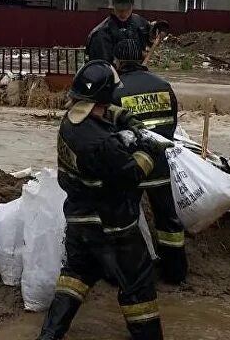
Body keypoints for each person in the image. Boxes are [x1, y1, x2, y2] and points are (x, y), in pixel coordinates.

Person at [38, 60, 170, 340]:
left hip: (79, 219)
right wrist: (150, 150)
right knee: (138, 285)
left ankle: (49, 335)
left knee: (76, 275)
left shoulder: (71, 122)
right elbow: (132, 174)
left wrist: (128, 120)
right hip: (111, 226)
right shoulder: (101, 143)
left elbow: (104, 110)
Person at [111, 39, 187, 285]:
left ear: (117, 61)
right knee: (167, 218)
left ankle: (134, 273)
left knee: (127, 220)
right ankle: (176, 273)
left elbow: (111, 132)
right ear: (142, 56)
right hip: (160, 161)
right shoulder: (163, 85)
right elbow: (172, 124)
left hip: (130, 165)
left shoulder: (116, 90)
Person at [86, 0, 152, 63]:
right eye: (119, 9)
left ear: (132, 5)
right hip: (113, 73)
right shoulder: (101, 34)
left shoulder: (139, 22)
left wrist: (159, 28)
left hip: (139, 72)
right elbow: (101, 68)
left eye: (127, 9)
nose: (123, 13)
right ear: (113, 5)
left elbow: (152, 36)